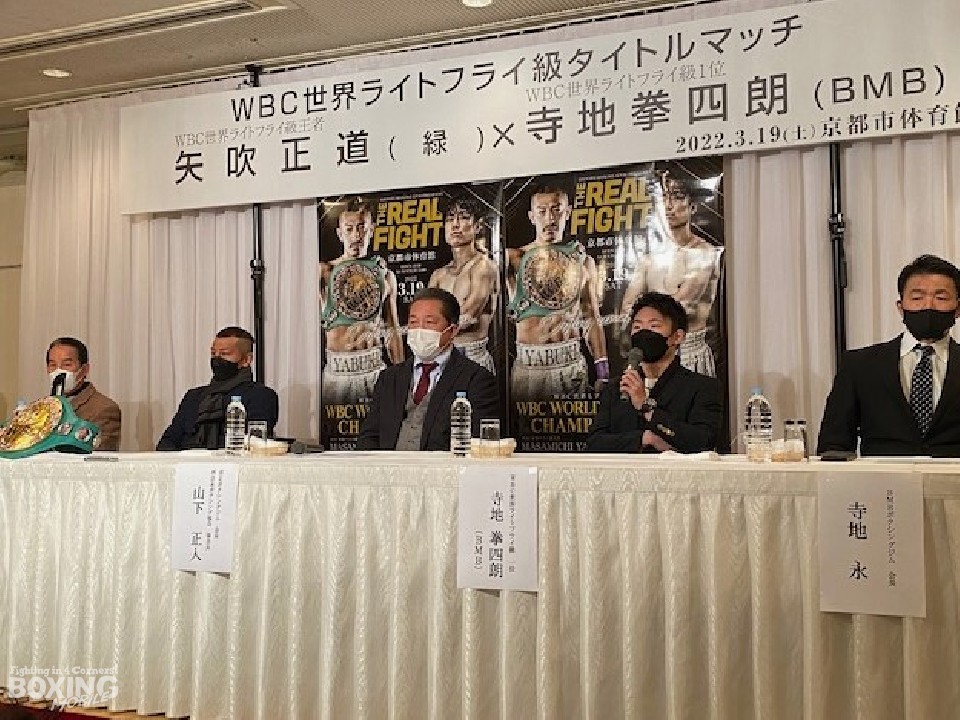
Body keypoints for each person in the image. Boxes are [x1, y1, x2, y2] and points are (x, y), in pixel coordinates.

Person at [818, 254, 960, 457]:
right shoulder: (859, 365)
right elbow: (833, 444)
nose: (928, 305)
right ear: (900, 307)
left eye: (941, 298)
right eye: (917, 298)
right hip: (882, 476)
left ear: (957, 308)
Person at [357, 287, 499, 451]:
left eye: (429, 322)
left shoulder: (477, 380)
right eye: (413, 322)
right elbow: (369, 436)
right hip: (389, 466)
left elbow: (478, 445)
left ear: (452, 330)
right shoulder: (389, 378)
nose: (420, 330)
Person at [506, 182, 608, 399]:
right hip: (530, 367)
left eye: (556, 210)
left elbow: (592, 317)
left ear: (567, 212)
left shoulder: (583, 261)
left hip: (570, 365)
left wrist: (603, 373)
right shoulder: (513, 259)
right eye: (542, 211)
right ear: (532, 216)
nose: (550, 219)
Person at [586, 292, 722, 453]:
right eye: (637, 327)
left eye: (654, 326)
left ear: (677, 337)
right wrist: (643, 439)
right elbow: (594, 443)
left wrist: (646, 407)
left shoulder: (702, 388)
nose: (643, 333)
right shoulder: (616, 388)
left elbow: (703, 441)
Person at [620, 168, 723, 376]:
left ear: (692, 205)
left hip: (688, 354)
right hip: (651, 357)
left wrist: (645, 319)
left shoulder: (704, 253)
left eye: (676, 197)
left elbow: (679, 308)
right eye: (664, 197)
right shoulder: (649, 259)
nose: (668, 206)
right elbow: (627, 308)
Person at [320, 200, 403, 404]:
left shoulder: (385, 275)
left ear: (371, 230)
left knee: (383, 425)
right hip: (338, 372)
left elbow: (393, 328)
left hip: (374, 368)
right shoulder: (324, 272)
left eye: (361, 228)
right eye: (349, 229)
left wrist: (402, 377)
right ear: (340, 234)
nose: (356, 236)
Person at [157, 326, 279, 450]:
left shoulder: (261, 396)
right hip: (186, 460)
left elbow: (255, 443)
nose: (217, 358)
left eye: (224, 353)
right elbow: (168, 440)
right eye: (213, 353)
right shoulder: (193, 396)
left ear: (246, 360)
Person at [428, 192, 499, 373]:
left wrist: (428, 329)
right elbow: (427, 319)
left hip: (472, 357)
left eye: (464, 217)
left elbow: (467, 317)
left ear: (478, 226)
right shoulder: (438, 275)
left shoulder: (483, 267)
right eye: (450, 218)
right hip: (441, 358)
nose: (455, 225)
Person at [45, 337, 122, 451]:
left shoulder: (104, 408)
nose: (58, 371)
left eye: (67, 364)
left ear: (84, 369)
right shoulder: (44, 407)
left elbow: (100, 454)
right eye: (52, 365)